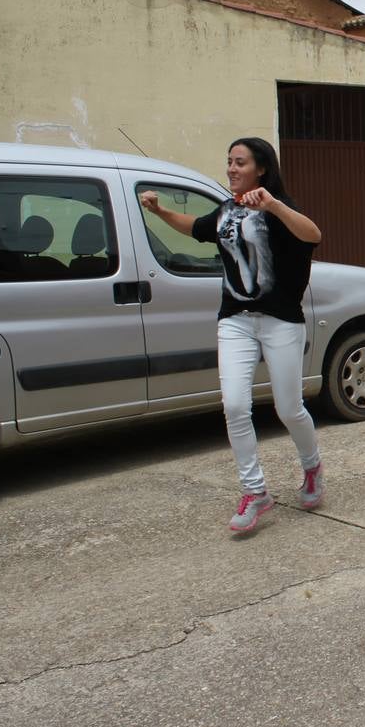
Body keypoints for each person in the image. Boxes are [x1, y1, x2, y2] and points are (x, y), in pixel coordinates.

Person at [139, 137, 323, 533]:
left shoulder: (279, 209)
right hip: (235, 319)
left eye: (240, 163)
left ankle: (312, 467)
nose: (232, 169)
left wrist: (272, 204)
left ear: (261, 168)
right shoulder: (226, 211)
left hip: (280, 320)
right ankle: (256, 492)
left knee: (288, 408)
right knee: (236, 406)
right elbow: (196, 228)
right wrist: (160, 211)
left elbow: (312, 235)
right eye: (229, 162)